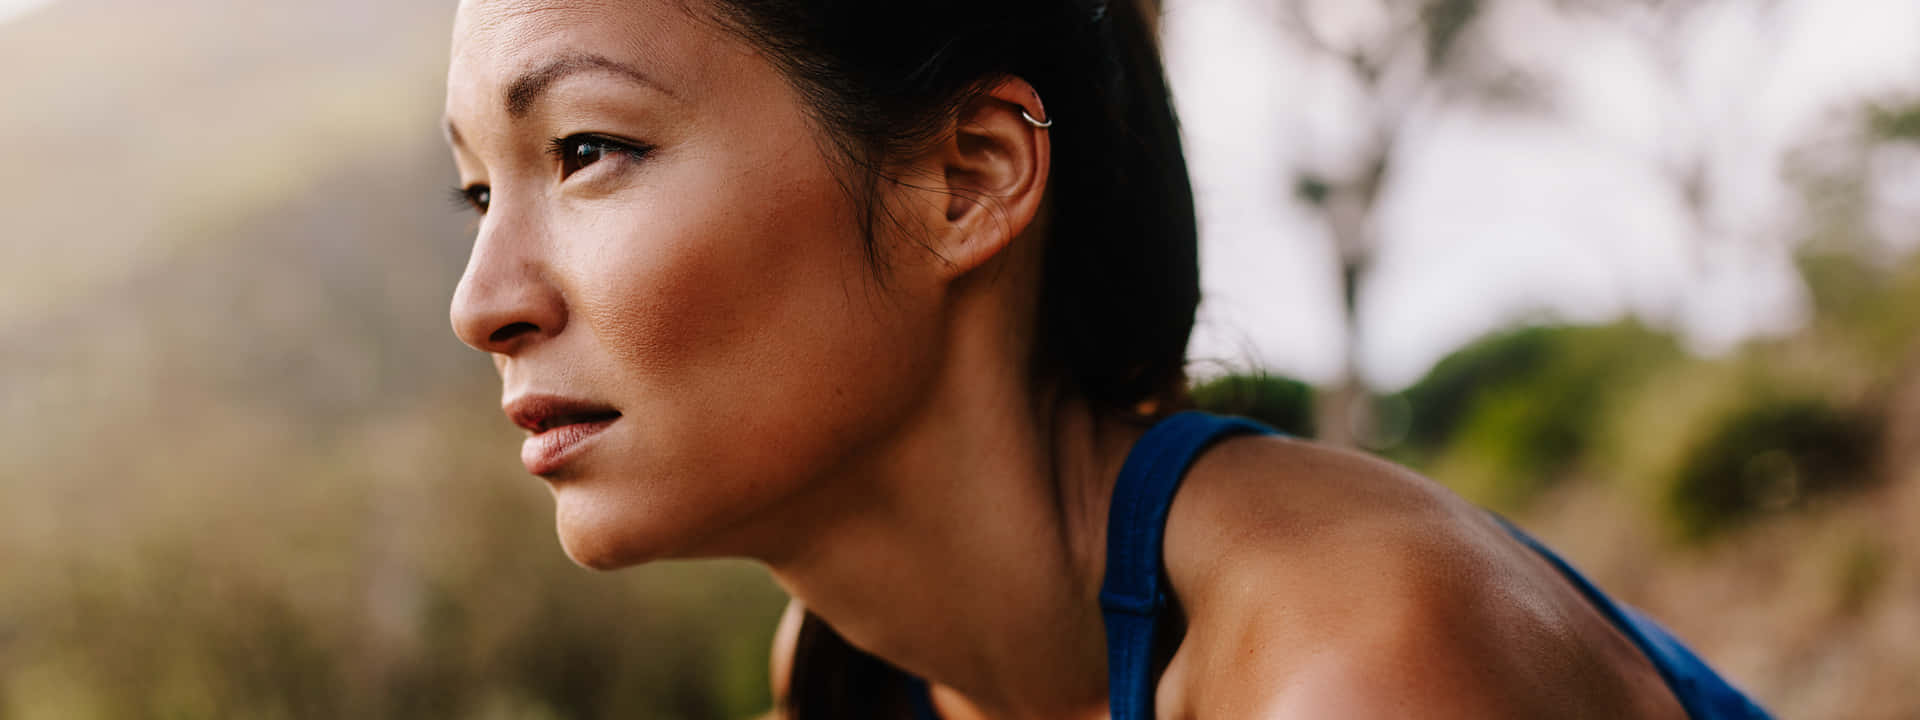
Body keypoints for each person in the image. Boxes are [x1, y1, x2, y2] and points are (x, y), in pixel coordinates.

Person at [441, 0, 1773, 717]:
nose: (480, 300)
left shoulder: (1361, 670)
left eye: (585, 151)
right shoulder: (860, 676)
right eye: (477, 195)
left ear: (966, 181)